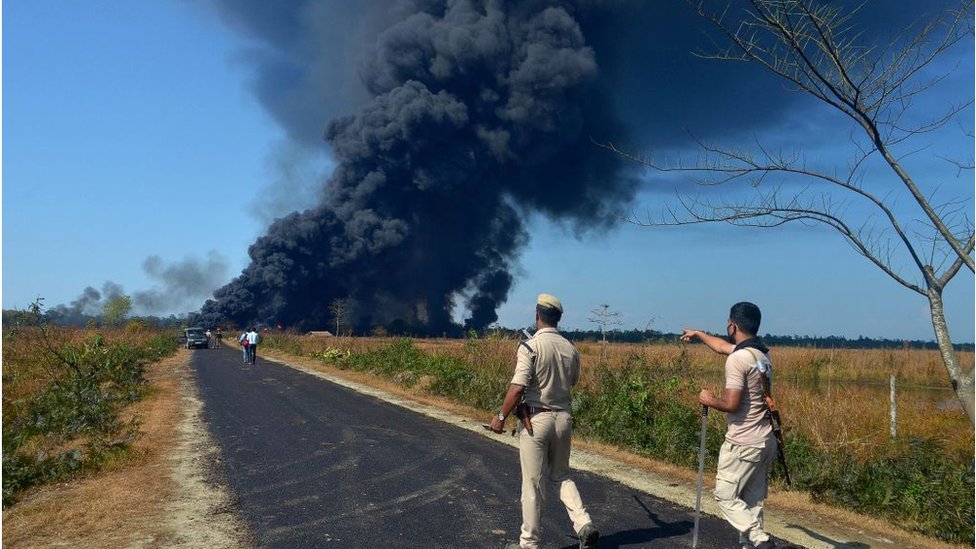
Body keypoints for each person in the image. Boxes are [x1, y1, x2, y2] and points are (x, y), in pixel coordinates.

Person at [489, 294, 599, 549]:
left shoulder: (530, 347)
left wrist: (501, 416)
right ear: (558, 319)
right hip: (563, 419)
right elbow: (572, 382)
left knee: (533, 484)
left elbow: (517, 388)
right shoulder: (571, 350)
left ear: (537, 316)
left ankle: (529, 544)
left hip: (535, 420)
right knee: (561, 475)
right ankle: (583, 523)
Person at [681, 302, 777, 549]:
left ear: (732, 325)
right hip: (765, 441)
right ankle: (753, 544)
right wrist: (700, 334)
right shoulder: (760, 356)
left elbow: (732, 404)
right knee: (752, 502)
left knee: (725, 496)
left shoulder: (737, 360)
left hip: (743, 442)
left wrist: (709, 399)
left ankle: (759, 540)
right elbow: (723, 347)